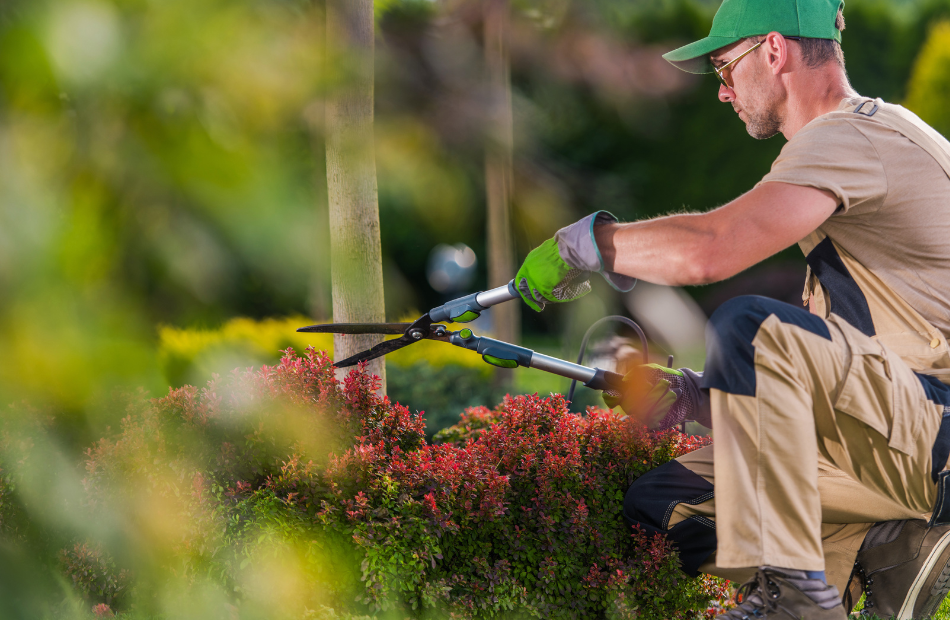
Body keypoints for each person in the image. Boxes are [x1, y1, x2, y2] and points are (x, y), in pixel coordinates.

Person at [514, 0, 950, 617]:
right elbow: (830, 376)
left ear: (774, 51)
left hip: (930, 434)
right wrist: (700, 397)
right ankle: (883, 555)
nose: (723, 92)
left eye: (724, 68)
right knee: (662, 504)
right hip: (888, 432)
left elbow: (710, 252)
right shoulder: (868, 145)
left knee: (750, 326)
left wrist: (587, 245)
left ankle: (804, 595)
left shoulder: (848, 135)